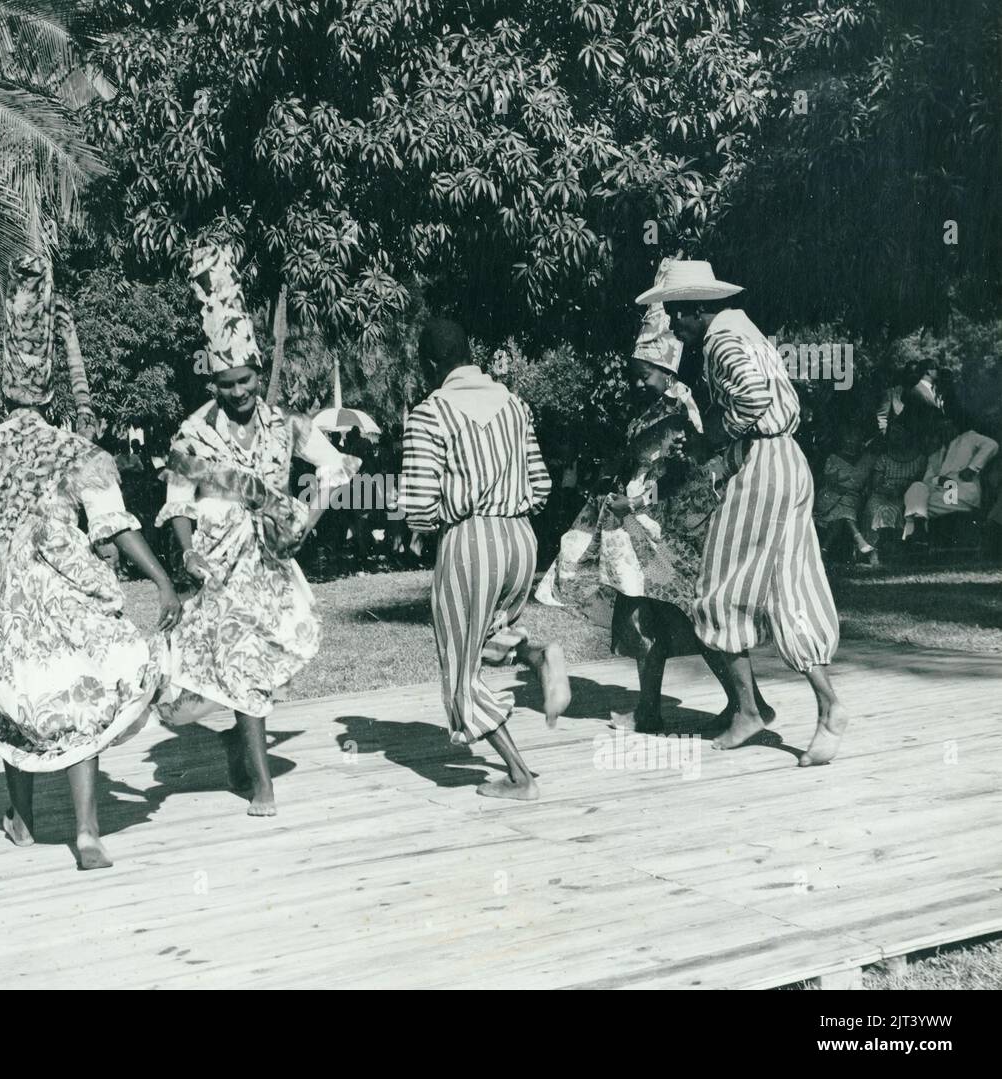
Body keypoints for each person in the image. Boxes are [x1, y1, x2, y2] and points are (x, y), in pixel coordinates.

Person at [0, 255, 181, 870]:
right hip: (60, 592)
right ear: (51, 385)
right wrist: (161, 580)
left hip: (1, 594)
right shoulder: (70, 448)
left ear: (3, 380)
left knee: (13, 696)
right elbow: (113, 525)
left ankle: (22, 819)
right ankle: (85, 832)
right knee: (79, 693)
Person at [156, 244, 360, 816]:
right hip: (220, 569)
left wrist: (305, 519)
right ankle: (263, 784)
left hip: (271, 563)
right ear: (213, 382)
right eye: (225, 385)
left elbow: (338, 469)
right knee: (237, 670)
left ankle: (243, 750)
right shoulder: (192, 435)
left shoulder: (286, 425)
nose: (238, 393)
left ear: (255, 374)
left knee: (259, 668)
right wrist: (189, 553)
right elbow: (177, 503)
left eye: (244, 381)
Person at [538, 274, 773, 732]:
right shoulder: (652, 409)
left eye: (644, 373)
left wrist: (638, 501)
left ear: (666, 371)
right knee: (645, 616)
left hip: (663, 532)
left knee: (694, 616)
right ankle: (667, 709)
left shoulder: (680, 410)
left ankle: (744, 704)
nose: (637, 381)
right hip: (636, 532)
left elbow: (684, 477)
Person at [646, 260, 845, 766]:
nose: (672, 326)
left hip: (763, 466)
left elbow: (753, 399)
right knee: (790, 586)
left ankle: (750, 713)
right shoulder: (746, 329)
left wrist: (716, 435)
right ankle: (825, 706)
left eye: (674, 315)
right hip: (788, 460)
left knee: (715, 592)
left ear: (695, 310)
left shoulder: (721, 339)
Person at [399, 317, 571, 801]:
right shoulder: (514, 403)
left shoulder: (430, 413)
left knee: (460, 671)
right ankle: (541, 656)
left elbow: (417, 507)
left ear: (430, 363)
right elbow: (540, 485)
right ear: (470, 351)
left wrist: (447, 519)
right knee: (495, 635)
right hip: (521, 537)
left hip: (470, 542)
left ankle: (520, 776)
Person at [902, 405, 999, 542]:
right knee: (917, 487)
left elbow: (992, 445)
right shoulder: (936, 454)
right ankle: (918, 532)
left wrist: (972, 468)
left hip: (960, 494)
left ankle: (915, 535)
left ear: (954, 425)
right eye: (940, 429)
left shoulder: (968, 438)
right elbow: (927, 482)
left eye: (947, 426)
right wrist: (938, 481)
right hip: (941, 494)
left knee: (916, 509)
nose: (944, 431)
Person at [861, 410, 930, 567]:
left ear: (908, 435)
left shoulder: (919, 459)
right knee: (878, 509)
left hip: (905, 496)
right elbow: (876, 483)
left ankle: (898, 553)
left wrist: (901, 490)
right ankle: (874, 554)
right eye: (892, 433)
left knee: (897, 511)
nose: (896, 437)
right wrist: (889, 490)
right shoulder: (884, 458)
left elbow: (920, 483)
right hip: (882, 494)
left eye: (899, 433)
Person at [814, 425, 877, 563]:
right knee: (843, 511)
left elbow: (867, 485)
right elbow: (830, 481)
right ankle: (860, 542)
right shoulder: (833, 458)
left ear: (861, 439)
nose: (851, 441)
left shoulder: (867, 459)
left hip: (853, 497)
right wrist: (839, 487)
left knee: (843, 509)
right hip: (831, 495)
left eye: (855, 437)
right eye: (848, 437)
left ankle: (823, 551)